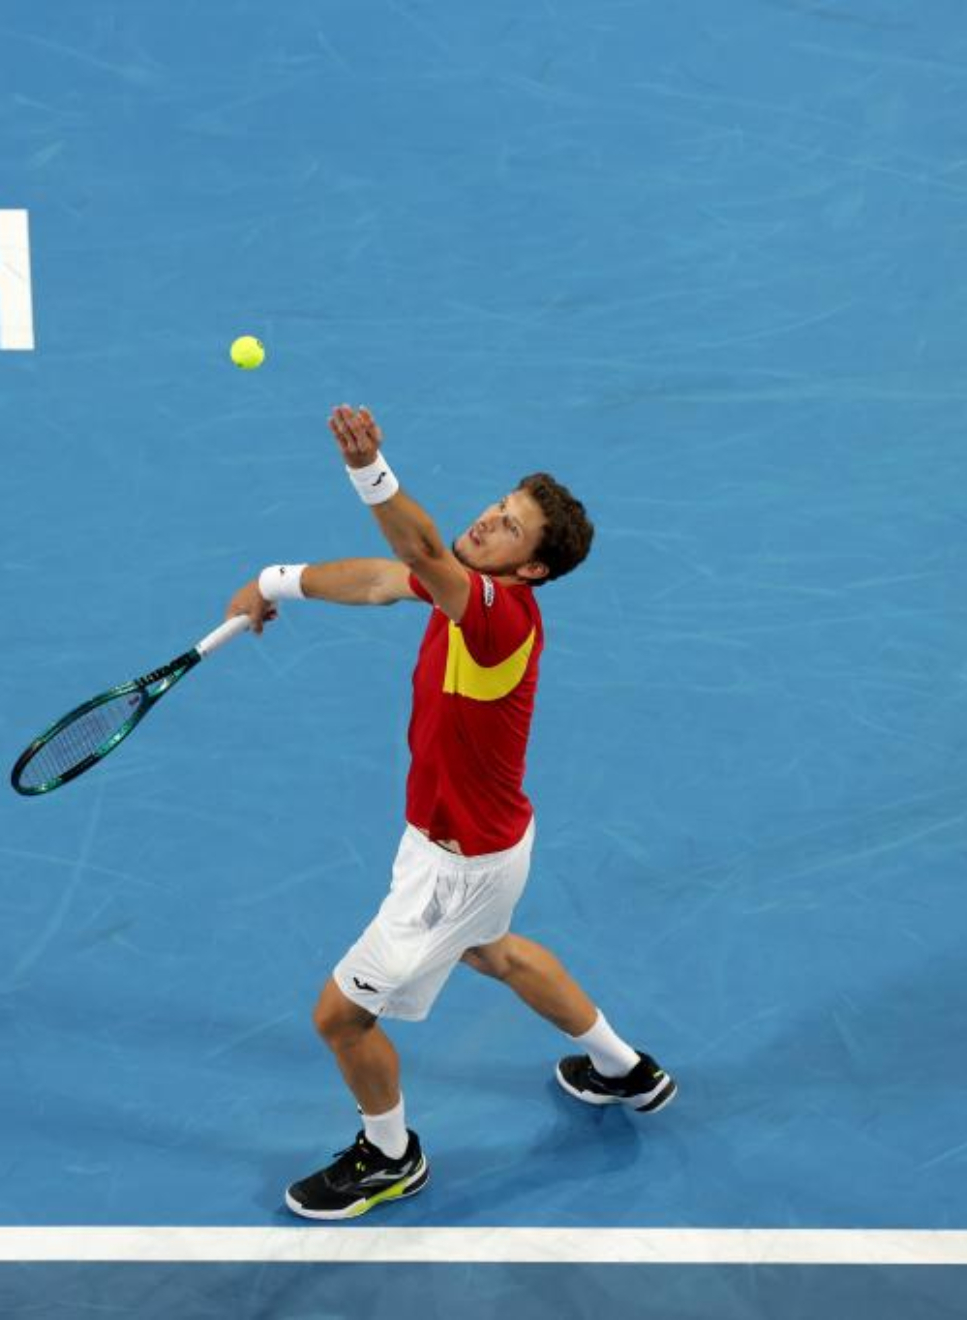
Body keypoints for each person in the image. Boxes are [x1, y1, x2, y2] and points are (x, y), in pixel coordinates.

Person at [226, 405, 675, 1221]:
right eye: (500, 506)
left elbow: (416, 549)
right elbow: (378, 578)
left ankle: (390, 1157)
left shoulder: (499, 620)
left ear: (530, 571)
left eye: (510, 527)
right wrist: (273, 582)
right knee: (491, 953)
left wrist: (371, 469)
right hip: (491, 844)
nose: (489, 520)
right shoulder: (461, 594)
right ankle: (623, 1068)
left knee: (342, 1019)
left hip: (456, 864)